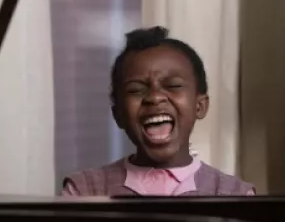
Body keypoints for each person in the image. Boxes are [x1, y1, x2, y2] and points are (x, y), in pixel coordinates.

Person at [62, 26, 255, 196]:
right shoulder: (85, 191)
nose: (154, 97)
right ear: (118, 114)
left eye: (173, 85)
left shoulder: (236, 195)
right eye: (136, 90)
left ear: (200, 106)